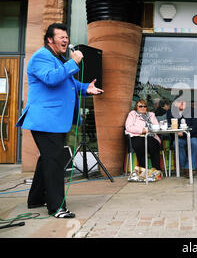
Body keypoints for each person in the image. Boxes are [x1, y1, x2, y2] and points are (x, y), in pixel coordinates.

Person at [16, 23, 104, 218]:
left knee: (48, 158)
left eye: (66, 36)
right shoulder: (41, 57)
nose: (66, 39)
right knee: (55, 161)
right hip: (45, 120)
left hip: (54, 121)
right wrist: (73, 63)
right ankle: (57, 207)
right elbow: (51, 79)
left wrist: (85, 88)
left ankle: (36, 198)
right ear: (50, 40)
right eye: (61, 37)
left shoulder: (58, 59)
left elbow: (69, 83)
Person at [125, 99, 162, 181]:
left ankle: (157, 171)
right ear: (136, 107)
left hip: (150, 136)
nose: (142, 108)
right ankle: (143, 171)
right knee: (140, 145)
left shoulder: (151, 115)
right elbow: (128, 127)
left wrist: (147, 130)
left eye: (144, 106)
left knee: (154, 144)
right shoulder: (132, 114)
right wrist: (141, 130)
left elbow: (156, 126)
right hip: (137, 135)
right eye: (140, 106)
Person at [166, 99, 197, 178]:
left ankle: (189, 168)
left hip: (192, 135)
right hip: (179, 137)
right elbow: (169, 125)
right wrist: (177, 132)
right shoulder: (170, 112)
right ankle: (185, 167)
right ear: (175, 103)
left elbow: (196, 126)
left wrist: (184, 133)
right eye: (179, 102)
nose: (182, 103)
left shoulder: (193, 111)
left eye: (184, 101)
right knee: (177, 143)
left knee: (194, 143)